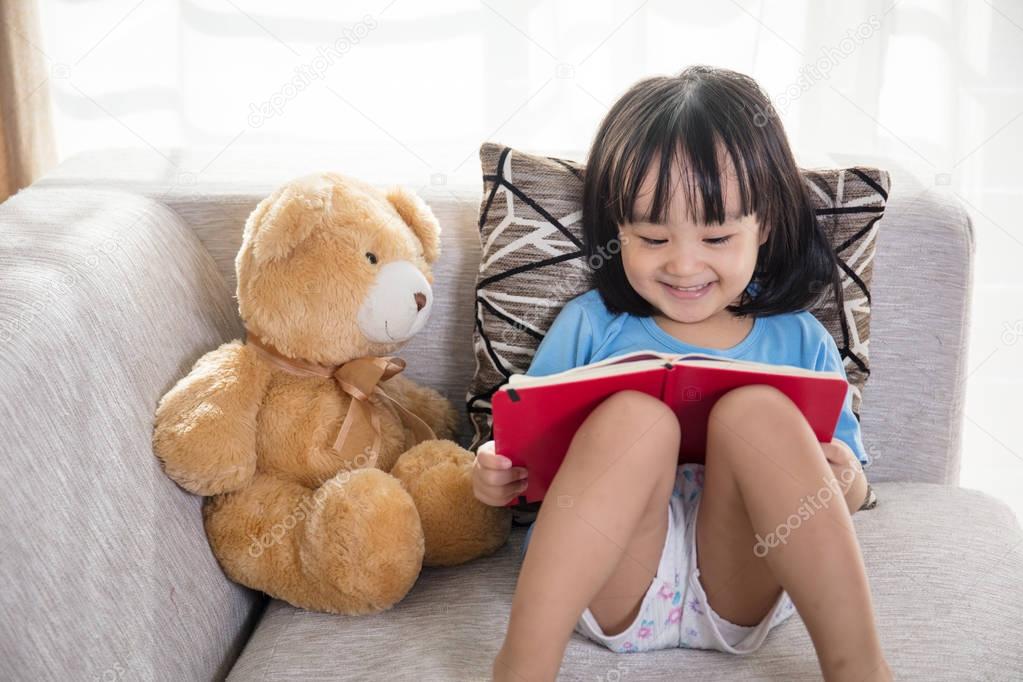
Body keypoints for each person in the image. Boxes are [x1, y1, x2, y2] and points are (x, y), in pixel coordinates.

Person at [472, 65, 891, 682]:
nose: (684, 263)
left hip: (741, 577)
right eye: (651, 235)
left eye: (718, 237)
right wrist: (493, 474)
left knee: (758, 413)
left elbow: (851, 490)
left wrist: (844, 477)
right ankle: (523, 666)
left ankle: (860, 667)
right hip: (612, 577)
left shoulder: (801, 338)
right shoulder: (594, 323)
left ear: (764, 226)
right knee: (635, 420)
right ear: (618, 228)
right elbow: (527, 449)